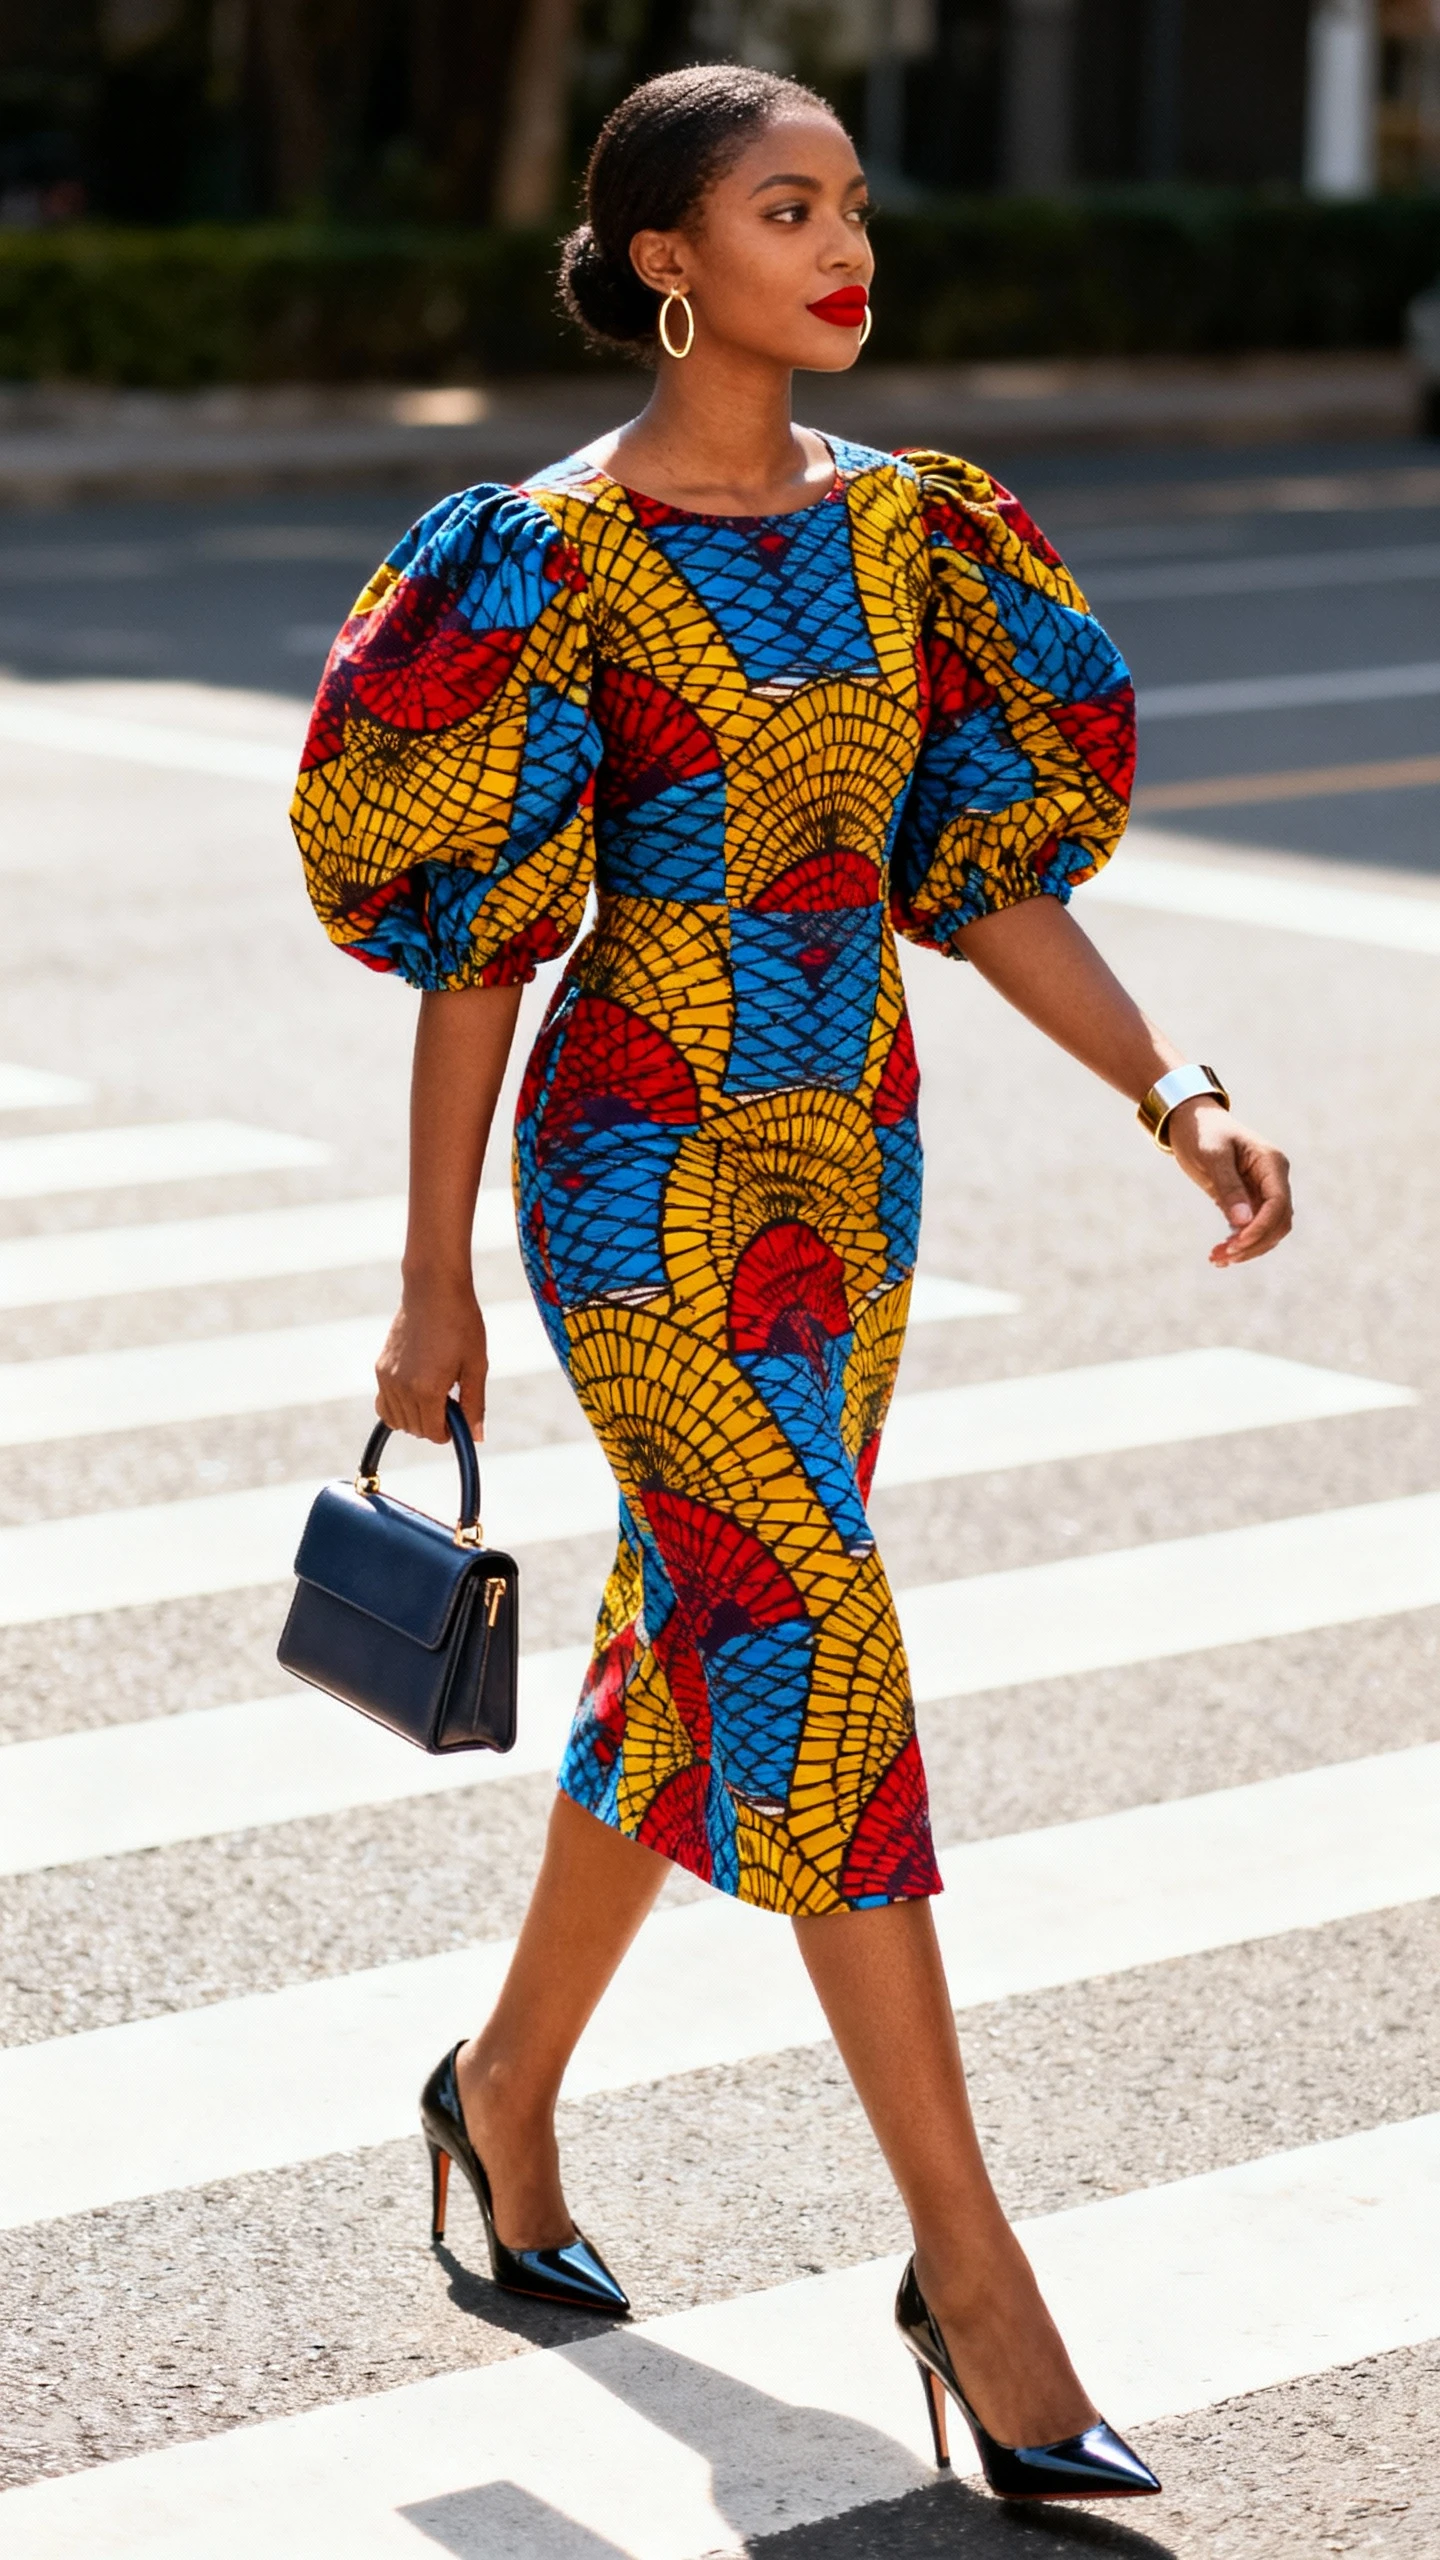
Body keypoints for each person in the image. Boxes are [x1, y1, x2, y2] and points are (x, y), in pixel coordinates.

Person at [292, 62, 1292, 2505]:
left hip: (850, 1182)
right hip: (640, 1170)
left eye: (853, 201)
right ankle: (975, 2267)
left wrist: (1172, 1090)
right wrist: (429, 1281)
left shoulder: (915, 539)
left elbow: (980, 871)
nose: (848, 246)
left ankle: (500, 2088)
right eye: (786, 206)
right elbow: (482, 954)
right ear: (668, 258)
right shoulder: (543, 553)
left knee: (702, 1631)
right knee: (819, 1647)